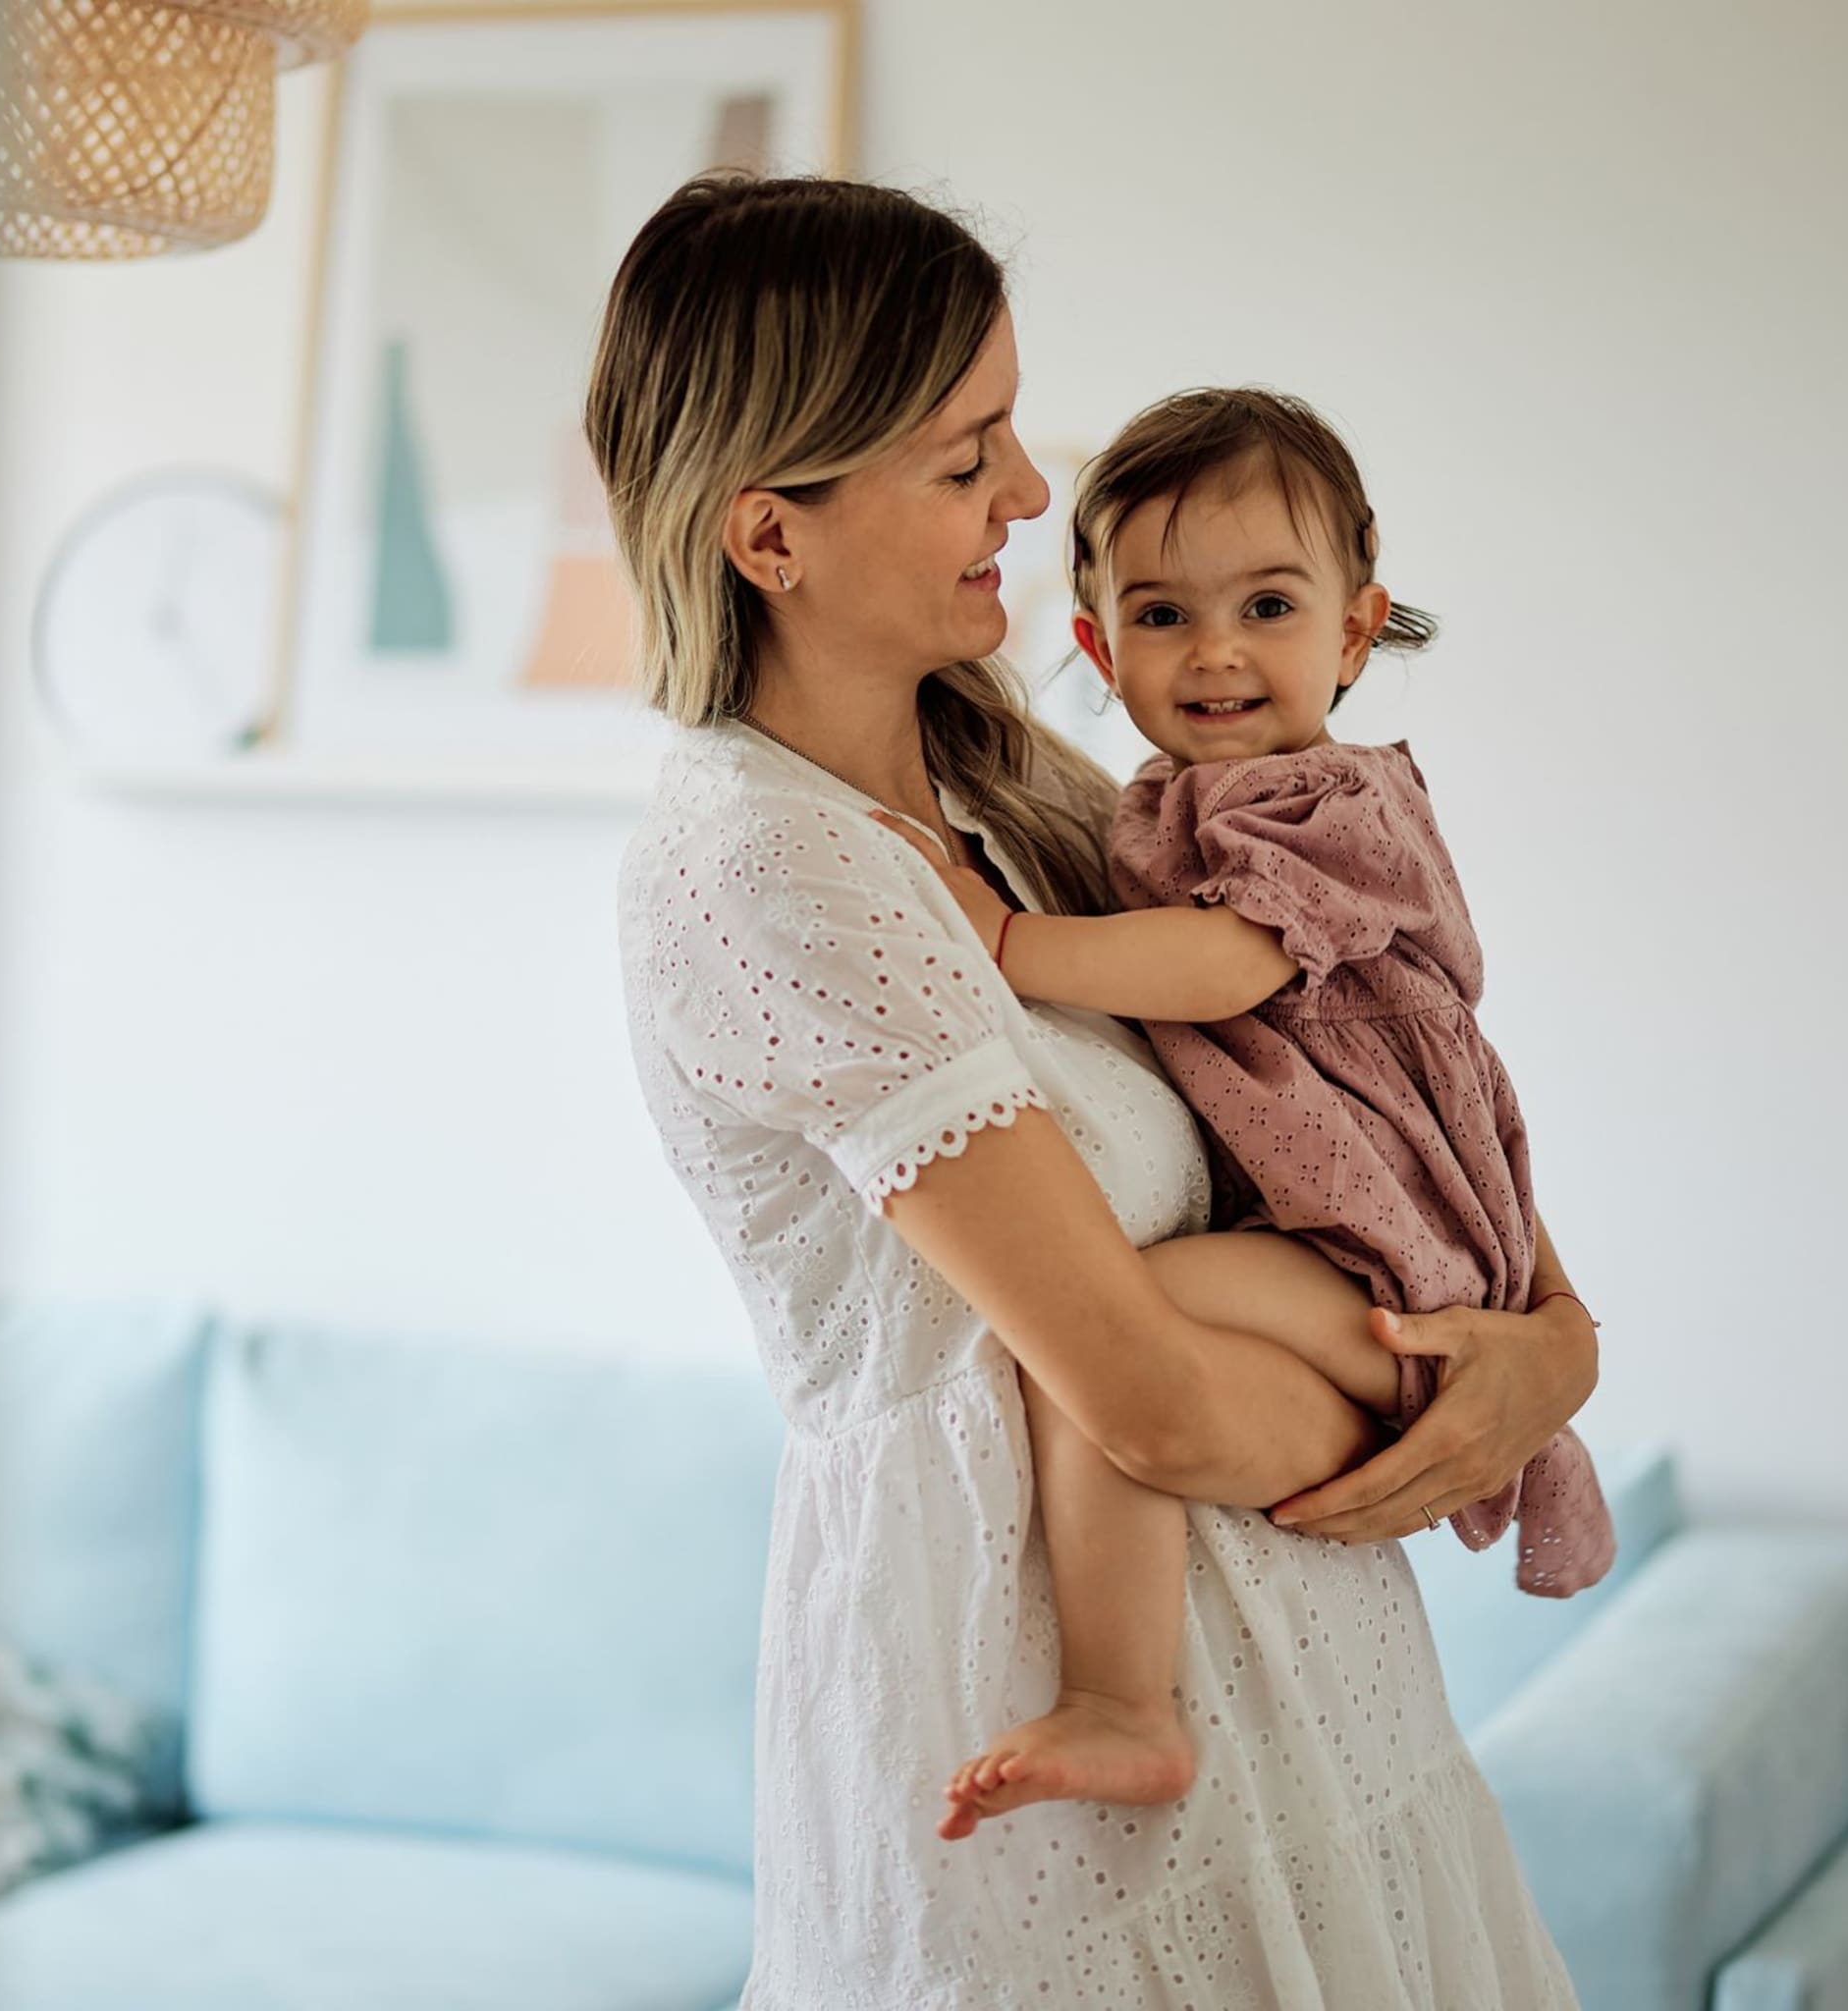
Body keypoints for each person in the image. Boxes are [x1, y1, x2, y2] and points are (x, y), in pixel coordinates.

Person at [597, 171, 1591, 2006]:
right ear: (770, 536)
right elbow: (1146, 1400)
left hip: (1305, 1695)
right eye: (968, 456)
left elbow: (1369, 1090)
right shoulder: (773, 869)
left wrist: (1552, 1343)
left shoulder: (1035, 800)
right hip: (1033, 1713)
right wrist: (1459, 1404)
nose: (1033, 497)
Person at [878, 387, 1616, 1844]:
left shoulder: (1337, 803)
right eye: (1159, 616)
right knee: (1114, 1343)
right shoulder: (1147, 807)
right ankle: (1127, 1701)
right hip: (1329, 1223)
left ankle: (1121, 1701)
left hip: (1380, 1248)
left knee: (1120, 1325)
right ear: (1095, 646)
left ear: (1354, 630)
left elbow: (1232, 962)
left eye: (1268, 604)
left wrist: (1013, 946)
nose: (1214, 651)